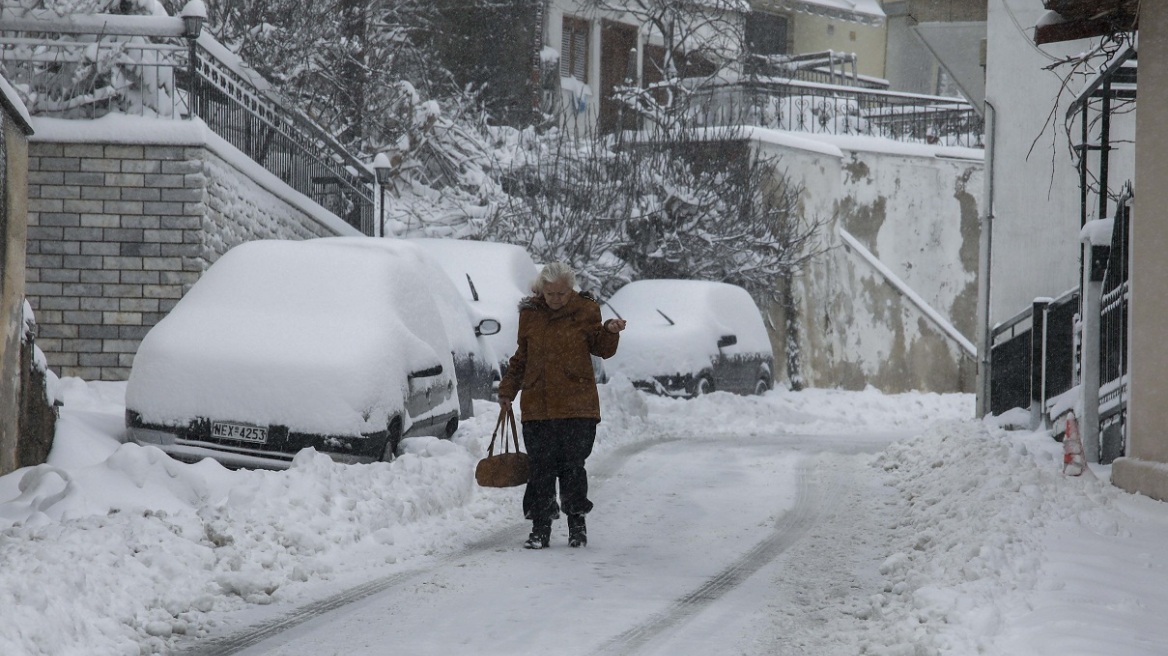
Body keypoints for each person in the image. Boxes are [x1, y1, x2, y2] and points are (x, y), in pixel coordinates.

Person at [497, 262, 626, 549]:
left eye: (562, 293)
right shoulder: (530, 314)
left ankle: (576, 525)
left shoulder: (586, 310)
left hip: (577, 406)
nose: (555, 299)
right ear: (541, 290)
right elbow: (522, 357)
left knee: (572, 467)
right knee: (540, 468)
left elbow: (601, 348)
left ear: (571, 290)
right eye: (550, 293)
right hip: (538, 406)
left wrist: (610, 331)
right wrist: (507, 390)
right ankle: (539, 529)